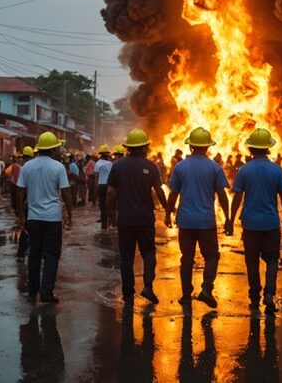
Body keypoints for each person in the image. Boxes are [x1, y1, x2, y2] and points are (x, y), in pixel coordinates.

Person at [165, 127, 231, 308]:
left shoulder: (180, 167)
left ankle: (186, 295)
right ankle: (206, 289)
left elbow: (173, 194)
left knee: (187, 258)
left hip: (185, 221)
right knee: (211, 256)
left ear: (190, 146)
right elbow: (222, 195)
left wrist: (168, 214)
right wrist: (228, 217)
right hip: (206, 221)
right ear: (208, 147)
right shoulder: (215, 168)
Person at [229, 128, 282, 314]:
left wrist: (231, 219)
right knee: (272, 259)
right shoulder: (276, 169)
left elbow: (237, 197)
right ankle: (269, 294)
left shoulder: (244, 170)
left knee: (252, 260)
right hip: (271, 223)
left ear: (251, 149)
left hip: (250, 224)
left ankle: (254, 294)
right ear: (268, 149)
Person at [108, 129, 168, 306]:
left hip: (125, 220)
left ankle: (128, 293)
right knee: (149, 253)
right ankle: (148, 287)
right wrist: (168, 210)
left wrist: (111, 215)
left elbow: (110, 194)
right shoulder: (151, 166)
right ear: (144, 148)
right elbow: (159, 191)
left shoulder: (118, 166)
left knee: (126, 256)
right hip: (144, 219)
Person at [17, 132, 70, 303]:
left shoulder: (27, 166)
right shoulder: (58, 167)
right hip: (53, 218)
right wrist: (70, 213)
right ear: (54, 149)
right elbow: (66, 192)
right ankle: (46, 292)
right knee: (51, 255)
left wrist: (20, 215)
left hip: (33, 217)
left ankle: (33, 289)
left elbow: (19, 192)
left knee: (34, 253)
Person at [94, 145, 114, 230]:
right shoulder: (110, 163)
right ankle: (111, 222)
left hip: (101, 185)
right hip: (109, 185)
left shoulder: (98, 163)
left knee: (102, 205)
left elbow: (96, 175)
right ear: (105, 154)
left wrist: (96, 186)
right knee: (110, 204)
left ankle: (104, 224)